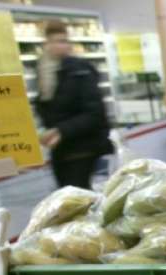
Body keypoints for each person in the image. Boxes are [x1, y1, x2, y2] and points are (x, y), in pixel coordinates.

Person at [36, 20, 112, 189]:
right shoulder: (43, 71)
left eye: (64, 41)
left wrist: (60, 130)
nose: (60, 46)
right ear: (46, 44)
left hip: (84, 149)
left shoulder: (80, 70)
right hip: (60, 150)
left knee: (80, 195)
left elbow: (95, 113)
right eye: (55, 41)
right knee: (67, 194)